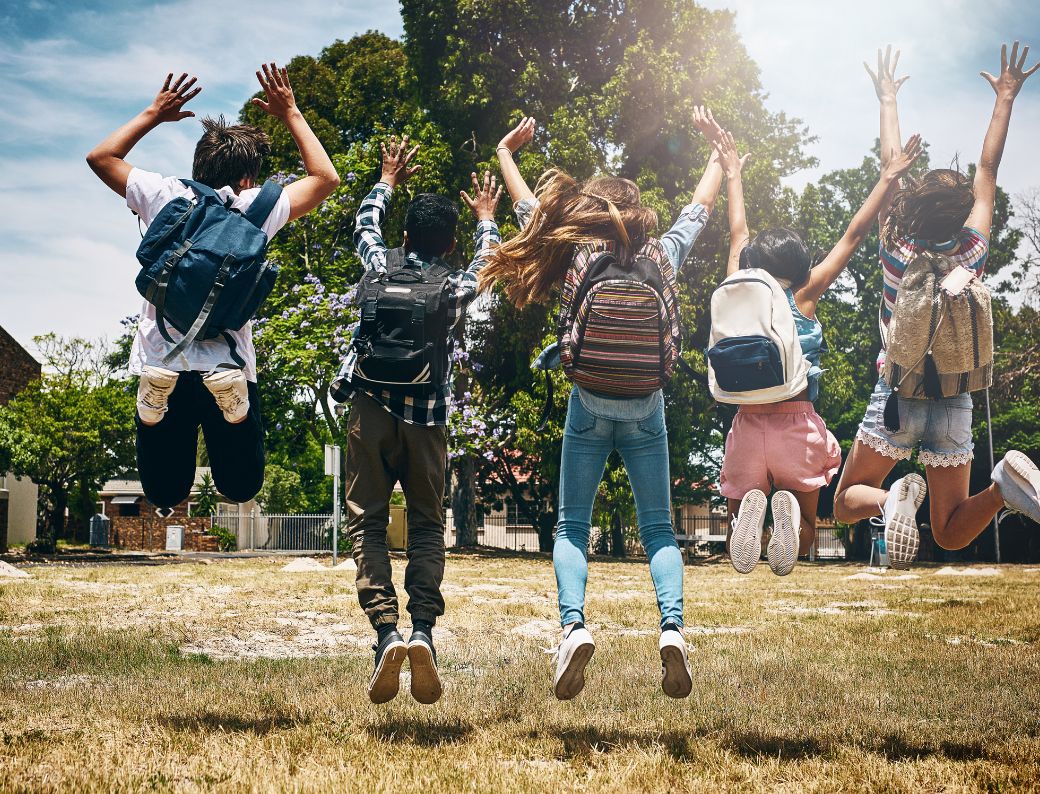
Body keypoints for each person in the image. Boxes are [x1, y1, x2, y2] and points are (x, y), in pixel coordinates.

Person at [481, 110, 725, 700]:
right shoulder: (662, 253)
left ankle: (573, 627)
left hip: (588, 400)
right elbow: (700, 207)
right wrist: (719, 150)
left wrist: (505, 153)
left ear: (592, 209)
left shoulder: (575, 252)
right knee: (660, 529)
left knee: (572, 523)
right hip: (646, 403)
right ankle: (672, 632)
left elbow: (526, 208)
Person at [85, 65, 339, 509]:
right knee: (240, 485)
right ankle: (234, 410)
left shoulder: (165, 195)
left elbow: (100, 157)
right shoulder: (259, 205)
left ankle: (151, 407)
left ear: (198, 166)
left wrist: (154, 113)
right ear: (248, 177)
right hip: (229, 361)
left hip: (161, 357)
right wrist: (291, 113)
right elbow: (325, 179)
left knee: (165, 490)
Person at [833, 42, 1040, 565]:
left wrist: (887, 98)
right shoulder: (972, 252)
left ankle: (890, 498)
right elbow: (988, 170)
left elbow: (889, 167)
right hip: (954, 399)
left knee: (845, 501)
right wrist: (1005, 98)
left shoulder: (895, 250)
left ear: (911, 209)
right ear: (961, 213)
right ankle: (1001, 491)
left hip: (898, 393)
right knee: (949, 532)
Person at [336, 135, 503, 705]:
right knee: (429, 526)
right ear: (450, 243)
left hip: (369, 411)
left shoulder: (378, 263)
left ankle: (386, 632)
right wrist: (485, 218)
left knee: (368, 522)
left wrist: (386, 180)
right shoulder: (454, 285)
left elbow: (364, 223)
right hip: (427, 417)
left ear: (404, 238)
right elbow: (490, 261)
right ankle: (424, 631)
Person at [714, 129, 924, 576]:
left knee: (737, 534)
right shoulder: (805, 293)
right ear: (800, 266)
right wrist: (886, 178)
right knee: (808, 530)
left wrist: (733, 174)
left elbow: (737, 232)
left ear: (754, 261)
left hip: (747, 424)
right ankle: (789, 514)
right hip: (796, 424)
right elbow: (853, 235)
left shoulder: (738, 285)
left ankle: (746, 520)